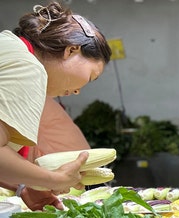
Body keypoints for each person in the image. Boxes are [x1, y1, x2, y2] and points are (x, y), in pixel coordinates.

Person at [0, 2, 111, 202]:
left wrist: (23, 188)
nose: (78, 91)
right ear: (71, 50)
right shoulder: (27, 66)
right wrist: (54, 179)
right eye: (90, 76)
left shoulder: (9, 46)